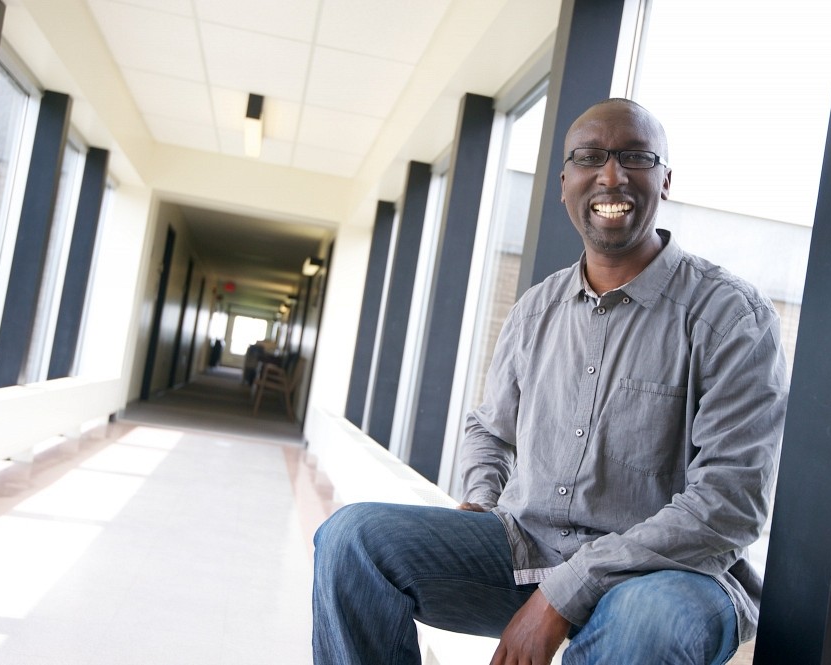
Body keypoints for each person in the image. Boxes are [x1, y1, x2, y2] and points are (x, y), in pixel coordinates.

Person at [312, 98, 789, 664]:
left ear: (665, 180)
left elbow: (729, 504)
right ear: (565, 185)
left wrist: (564, 592)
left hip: (666, 575)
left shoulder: (730, 315)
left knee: (649, 622)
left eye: (635, 157)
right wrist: (483, 500)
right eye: (590, 158)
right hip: (528, 550)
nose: (611, 175)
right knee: (352, 540)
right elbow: (489, 429)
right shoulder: (535, 310)